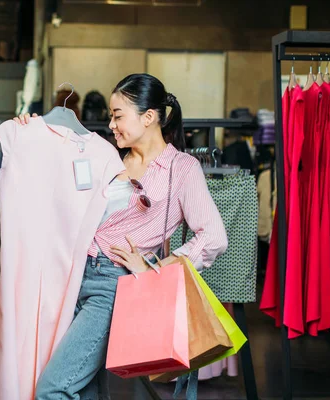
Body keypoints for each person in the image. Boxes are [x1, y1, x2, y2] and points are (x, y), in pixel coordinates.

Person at [14, 73, 228, 399]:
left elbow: (213, 236)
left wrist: (159, 268)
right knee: (86, 390)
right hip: (73, 277)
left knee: (53, 389)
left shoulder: (181, 169)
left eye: (118, 116)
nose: (111, 124)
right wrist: (31, 132)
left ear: (149, 116)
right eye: (111, 117)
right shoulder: (109, 158)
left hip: (112, 286)